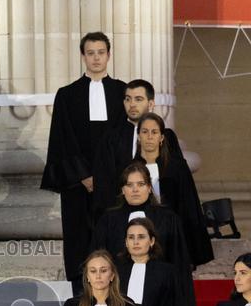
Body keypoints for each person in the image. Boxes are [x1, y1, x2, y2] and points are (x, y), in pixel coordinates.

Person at [41, 31, 127, 287]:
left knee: (113, 239)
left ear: (109, 55)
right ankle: (80, 297)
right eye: (91, 53)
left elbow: (123, 138)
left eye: (101, 52)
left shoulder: (122, 92)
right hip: (78, 185)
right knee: (79, 241)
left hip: (114, 184)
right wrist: (84, 175)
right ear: (83, 56)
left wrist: (108, 177)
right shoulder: (67, 95)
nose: (96, 58)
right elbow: (62, 139)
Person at [90, 162, 196, 306]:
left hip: (161, 298)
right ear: (122, 190)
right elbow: (97, 262)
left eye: (140, 184)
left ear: (149, 187)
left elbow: (180, 263)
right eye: (129, 185)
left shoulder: (168, 218)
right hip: (119, 296)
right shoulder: (108, 220)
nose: (135, 190)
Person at [133, 113, 213, 266]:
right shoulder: (131, 168)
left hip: (172, 239)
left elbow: (188, 206)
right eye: (145, 132)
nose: (149, 137)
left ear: (162, 137)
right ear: (138, 136)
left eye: (154, 132)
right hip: (139, 238)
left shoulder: (177, 167)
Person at [92, 79, 183, 212]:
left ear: (151, 103)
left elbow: (178, 178)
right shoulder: (111, 138)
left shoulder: (166, 136)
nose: (132, 104)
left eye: (138, 99)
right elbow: (104, 183)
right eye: (128, 99)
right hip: (122, 213)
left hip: (163, 213)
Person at [59, 250, 140, 306]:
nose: (98, 276)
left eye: (103, 271)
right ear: (87, 276)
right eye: (93, 271)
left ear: (112, 275)